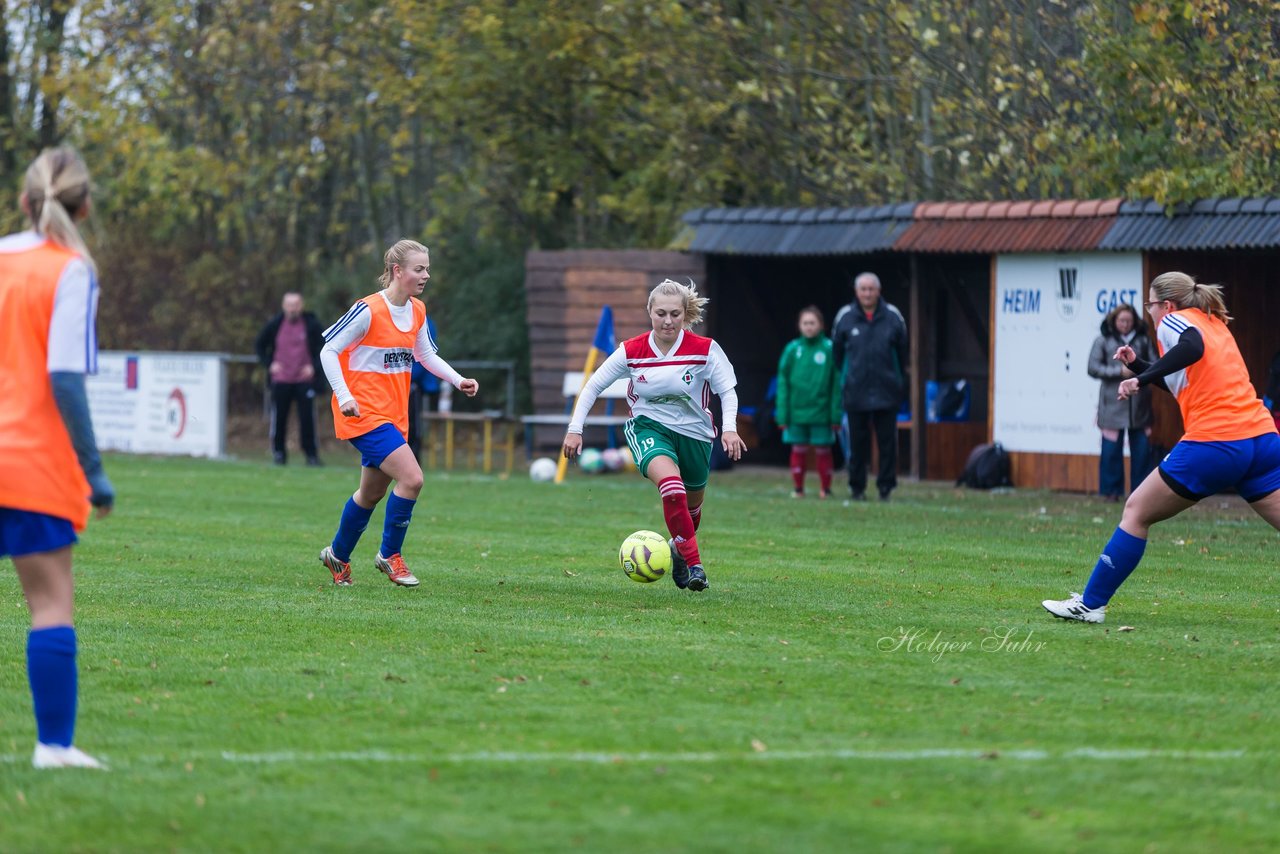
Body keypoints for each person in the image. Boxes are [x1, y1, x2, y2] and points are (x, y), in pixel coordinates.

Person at [1043, 272, 1280, 623]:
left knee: (1136, 511)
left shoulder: (1173, 321)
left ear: (1166, 304)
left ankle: (1090, 604)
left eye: (1149, 304)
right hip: (1262, 440)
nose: (1149, 312)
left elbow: (1191, 349)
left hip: (1218, 442)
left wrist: (1139, 378)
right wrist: (1139, 366)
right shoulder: (1214, 323)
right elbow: (1185, 385)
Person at [0, 147, 114, 769]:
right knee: (49, 605)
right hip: (28, 464)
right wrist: (94, 470)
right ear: (85, 205)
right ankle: (54, 747)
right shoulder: (71, 269)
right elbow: (65, 377)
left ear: (23, 202)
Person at [562, 278, 746, 592]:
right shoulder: (632, 350)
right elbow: (592, 386)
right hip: (649, 428)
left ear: (684, 313)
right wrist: (575, 429)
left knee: (691, 508)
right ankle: (696, 565)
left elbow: (727, 392)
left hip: (696, 435)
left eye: (675, 313)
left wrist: (729, 428)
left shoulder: (704, 349)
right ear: (650, 312)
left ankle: (678, 550)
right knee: (672, 489)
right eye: (661, 313)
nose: (668, 320)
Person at [317, 240, 478, 587]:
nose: (426, 275)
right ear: (397, 271)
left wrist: (458, 379)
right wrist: (344, 395)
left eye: (427, 268)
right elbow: (329, 350)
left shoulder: (417, 310)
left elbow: (426, 356)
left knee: (370, 494)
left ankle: (337, 555)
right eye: (419, 269)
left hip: (393, 415)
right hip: (363, 413)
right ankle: (390, 555)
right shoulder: (368, 310)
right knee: (412, 478)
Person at [832, 272, 908, 501]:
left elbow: (902, 353)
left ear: (879, 291)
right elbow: (837, 354)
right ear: (856, 292)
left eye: (871, 289)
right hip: (856, 392)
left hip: (886, 392)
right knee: (857, 444)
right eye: (863, 289)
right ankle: (857, 487)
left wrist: (894, 380)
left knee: (887, 444)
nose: (867, 293)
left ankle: (885, 487)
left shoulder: (893, 316)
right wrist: (848, 379)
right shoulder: (845, 317)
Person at [1087, 303, 1156, 501]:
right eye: (1121, 321)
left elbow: (1155, 364)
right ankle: (1110, 492)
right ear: (1114, 321)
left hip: (1139, 406)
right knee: (1110, 453)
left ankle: (1141, 494)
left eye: (1128, 321)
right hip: (1112, 405)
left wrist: (1137, 370)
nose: (1125, 324)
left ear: (1134, 321)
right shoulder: (1103, 340)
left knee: (1142, 452)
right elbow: (1092, 367)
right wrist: (1119, 372)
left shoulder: (1143, 340)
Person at [775, 305, 841, 498]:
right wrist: (782, 414)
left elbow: (836, 384)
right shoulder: (792, 349)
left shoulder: (829, 349)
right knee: (798, 449)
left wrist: (835, 414)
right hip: (797, 411)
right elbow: (783, 383)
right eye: (805, 323)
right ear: (799, 325)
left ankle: (825, 489)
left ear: (821, 325)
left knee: (823, 450)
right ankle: (798, 489)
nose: (809, 327)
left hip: (822, 411)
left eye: (813, 323)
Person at [255, 291, 325, 466]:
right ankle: (279, 454)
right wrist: (270, 363)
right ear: (283, 306)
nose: (292, 309)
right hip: (281, 380)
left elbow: (324, 348)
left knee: (307, 420)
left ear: (301, 306)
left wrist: (313, 367)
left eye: (296, 305)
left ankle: (311, 455)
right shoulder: (275, 325)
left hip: (304, 380)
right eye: (289, 305)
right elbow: (259, 345)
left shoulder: (312, 324)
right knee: (279, 419)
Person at [406, 315, 441, 462]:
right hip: (394, 384)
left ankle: (413, 459)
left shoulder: (422, 320)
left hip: (414, 385)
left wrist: (408, 377)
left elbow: (426, 357)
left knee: (413, 426)